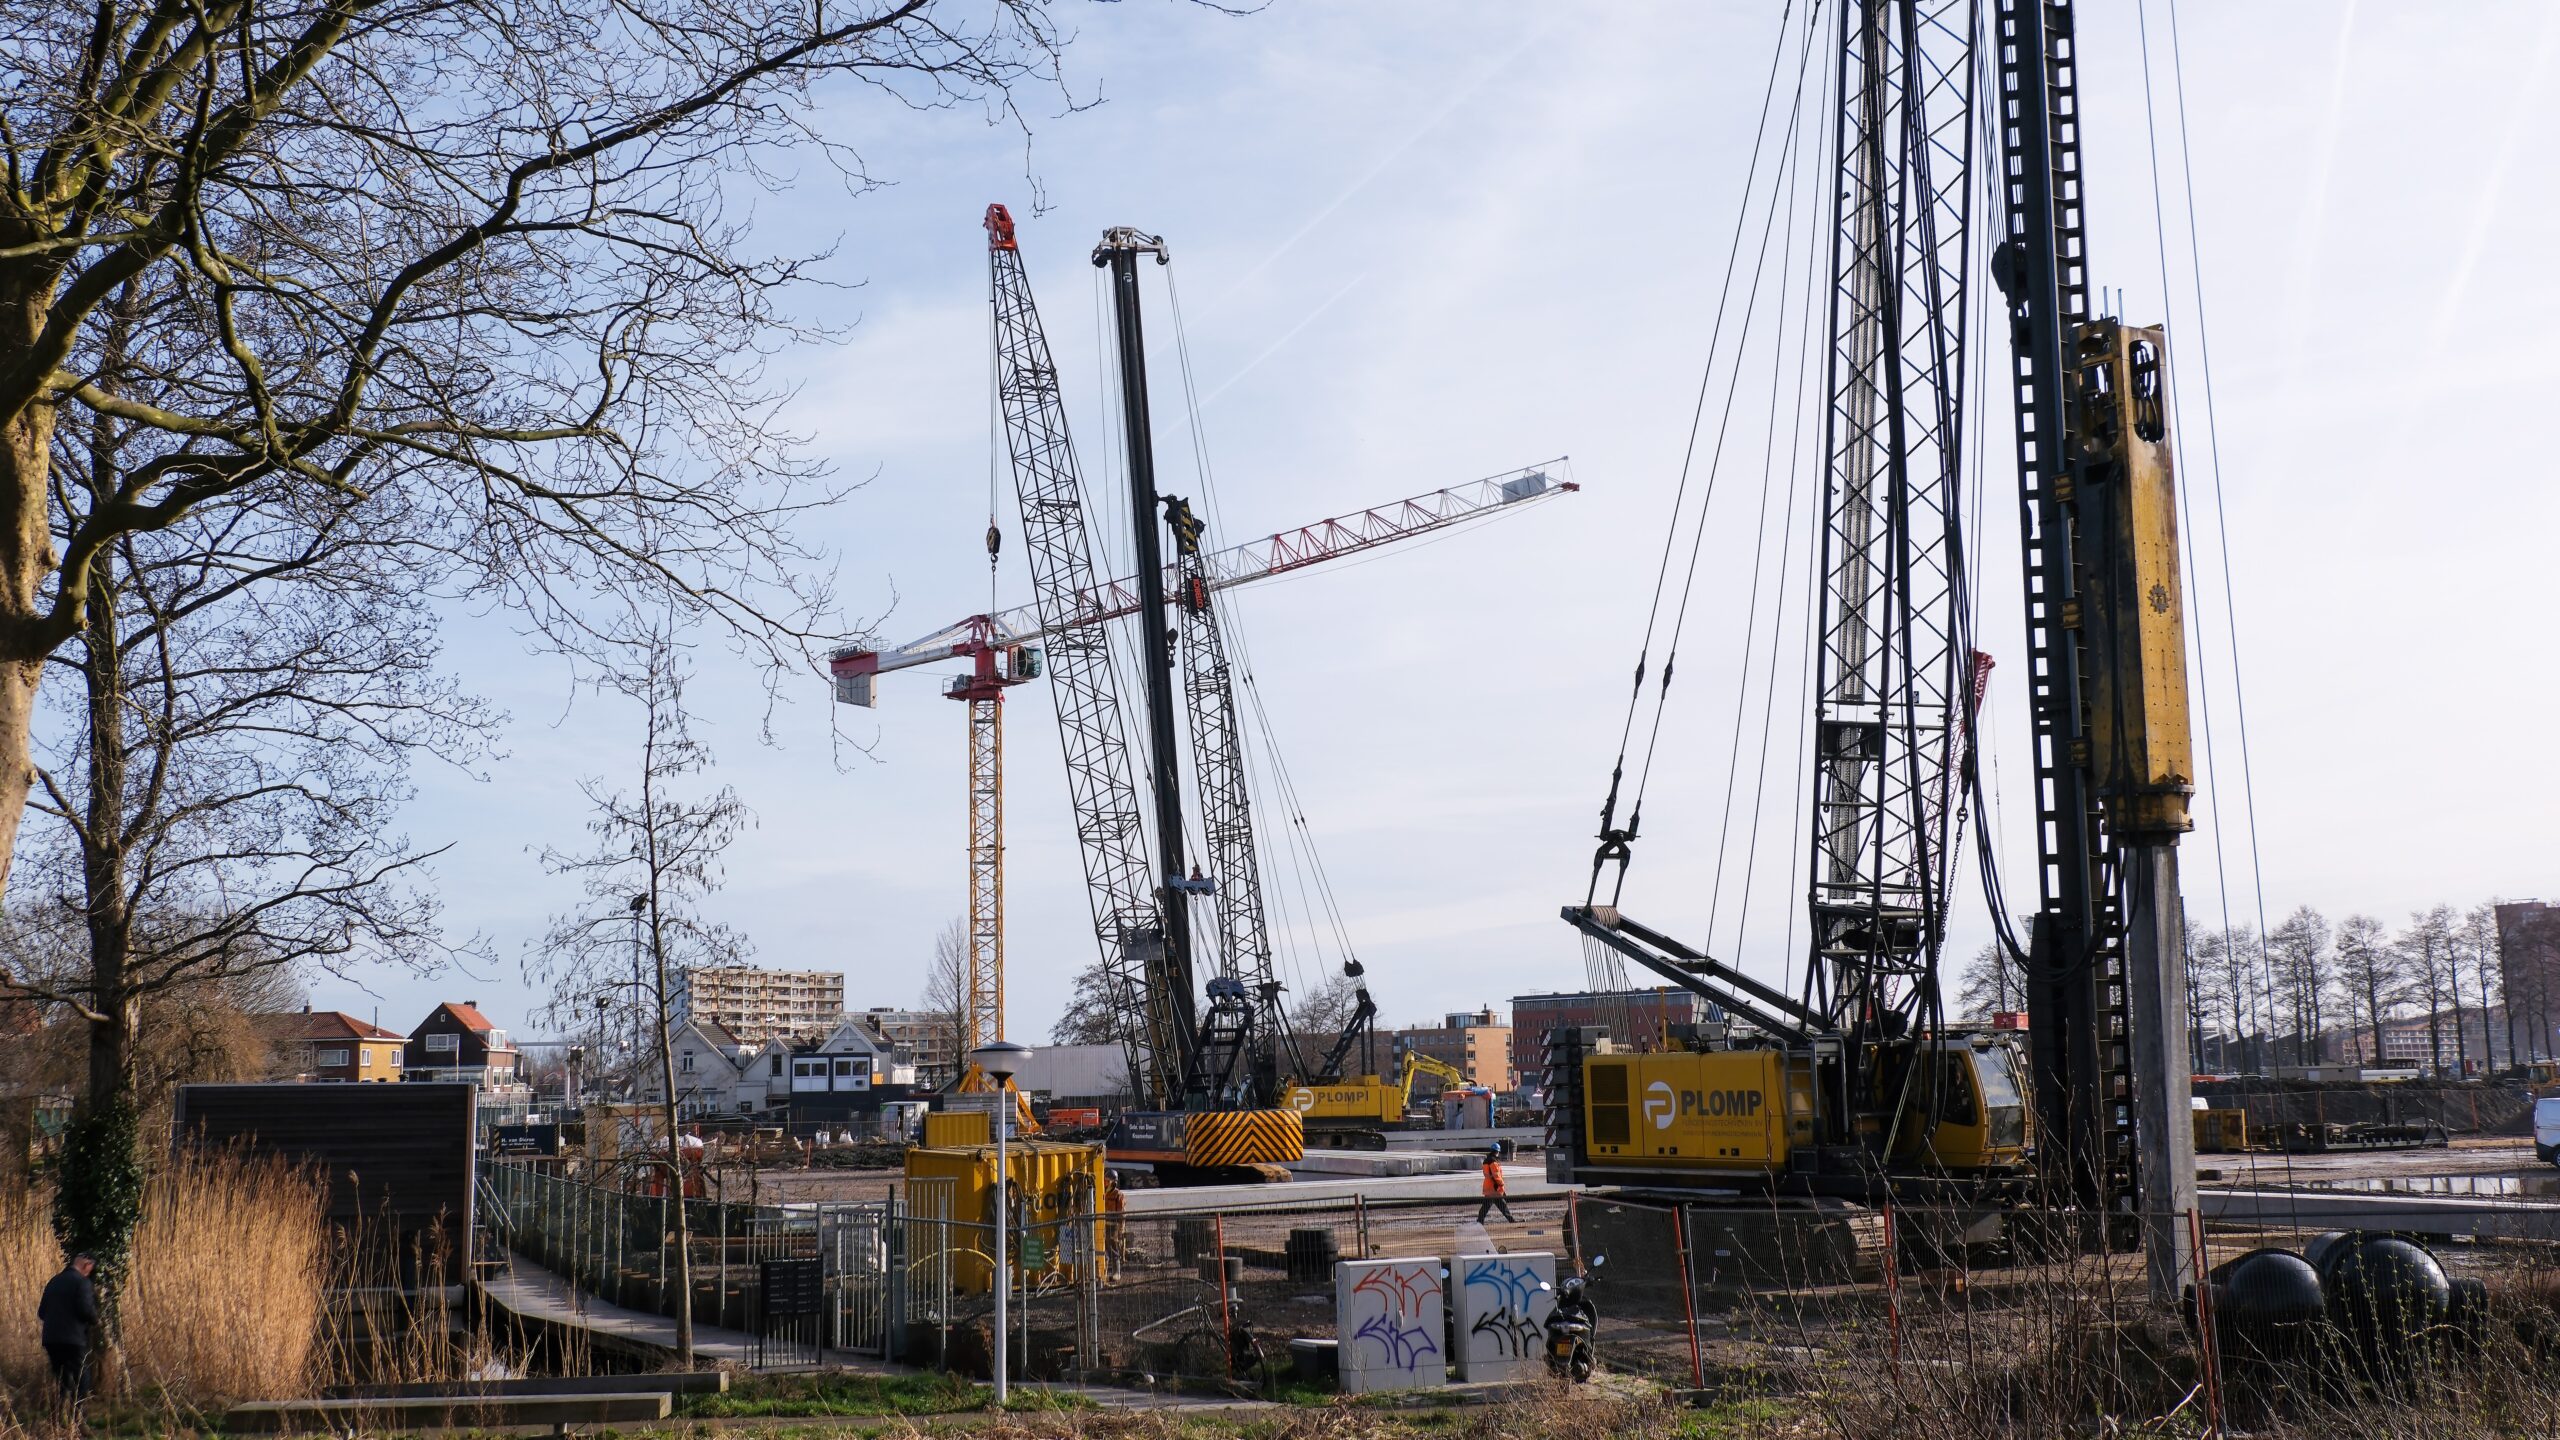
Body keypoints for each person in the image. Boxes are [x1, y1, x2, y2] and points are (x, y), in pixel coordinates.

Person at [37, 1252, 97, 1407]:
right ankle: (78, 1414)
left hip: (51, 1338)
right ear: (87, 1265)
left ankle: (60, 1413)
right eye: (91, 1268)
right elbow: (85, 1310)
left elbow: (41, 1312)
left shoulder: (54, 1281)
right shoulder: (82, 1282)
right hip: (73, 1339)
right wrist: (95, 1319)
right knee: (82, 1377)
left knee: (61, 1378)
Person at [1476, 1147, 1515, 1224]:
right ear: (1497, 1152)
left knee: (1499, 1205)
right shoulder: (1493, 1162)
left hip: (1488, 1187)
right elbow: (1496, 1175)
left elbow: (1487, 1174)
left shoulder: (1486, 1161)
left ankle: (1480, 1221)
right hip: (1494, 1188)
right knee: (1496, 1206)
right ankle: (1479, 1221)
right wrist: (1501, 1184)